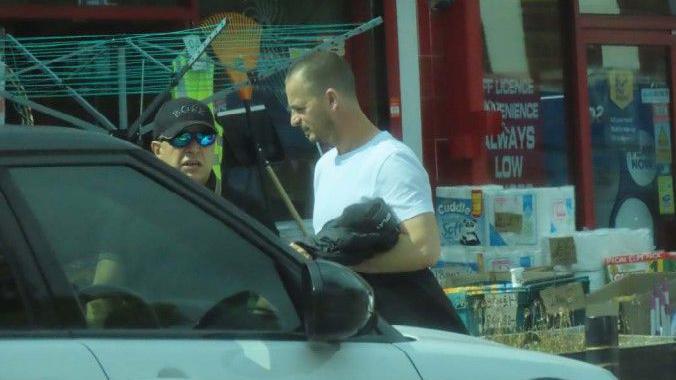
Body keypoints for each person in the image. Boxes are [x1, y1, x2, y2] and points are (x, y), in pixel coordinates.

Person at [285, 51, 466, 333]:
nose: (293, 120)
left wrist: (340, 260)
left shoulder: (390, 160)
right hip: (355, 336)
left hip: (400, 338)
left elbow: (424, 248)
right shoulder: (324, 167)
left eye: (299, 108)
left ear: (331, 100)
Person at [150, 97, 278, 233]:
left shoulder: (248, 212)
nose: (194, 148)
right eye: (182, 138)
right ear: (157, 150)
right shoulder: (139, 211)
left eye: (205, 138)